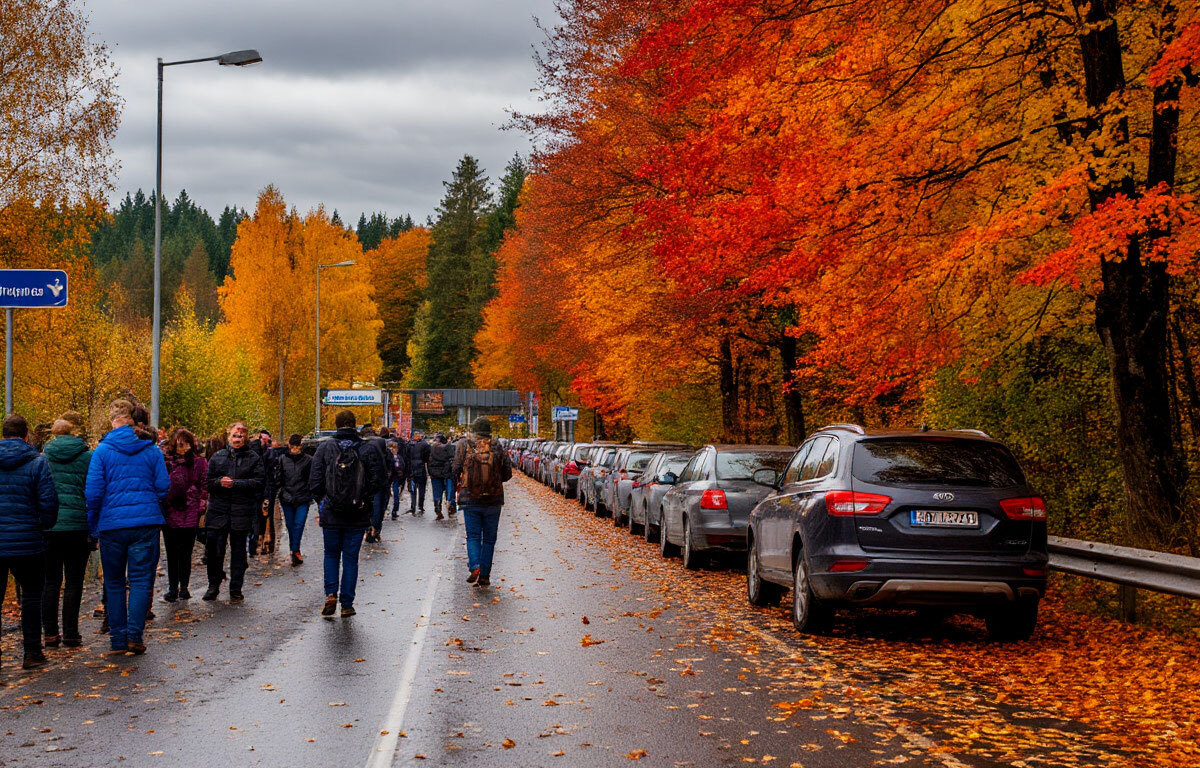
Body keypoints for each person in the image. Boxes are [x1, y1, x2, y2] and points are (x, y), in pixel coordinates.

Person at [86, 400, 169, 656]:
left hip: (112, 526)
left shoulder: (102, 451)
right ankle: (135, 636)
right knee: (142, 581)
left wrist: (94, 526)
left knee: (113, 582)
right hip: (145, 524)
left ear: (113, 422)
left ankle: (118, 641)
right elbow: (164, 487)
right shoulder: (151, 450)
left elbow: (92, 494)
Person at [310, 410, 385, 617]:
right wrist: (365, 501)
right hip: (357, 513)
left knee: (331, 554)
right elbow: (377, 480)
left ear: (336, 425)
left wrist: (323, 501)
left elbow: (315, 481)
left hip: (331, 512)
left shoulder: (325, 448)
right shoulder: (367, 449)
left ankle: (330, 593)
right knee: (351, 558)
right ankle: (347, 603)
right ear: (355, 425)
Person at [0, 414, 59, 669]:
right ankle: (32, 652)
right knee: (32, 596)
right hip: (28, 540)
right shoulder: (38, 462)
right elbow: (48, 503)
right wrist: (42, 526)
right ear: (26, 434)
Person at [41, 417, 92, 649]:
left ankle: (50, 634)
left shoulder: (43, 458)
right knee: (74, 582)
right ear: (73, 433)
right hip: (78, 526)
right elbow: (92, 491)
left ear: (53, 434)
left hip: (50, 527)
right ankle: (71, 633)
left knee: (50, 582)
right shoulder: (86, 457)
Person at [203, 422, 265, 603]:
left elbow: (259, 482)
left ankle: (236, 588)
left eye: (241, 436)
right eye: (235, 436)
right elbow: (208, 482)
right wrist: (219, 482)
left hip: (241, 510)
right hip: (219, 511)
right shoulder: (217, 457)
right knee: (215, 552)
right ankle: (213, 585)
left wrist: (236, 484)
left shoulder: (253, 458)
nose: (238, 439)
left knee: (239, 553)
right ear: (228, 437)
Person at [452, 417, 512, 587]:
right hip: (493, 500)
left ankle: (475, 565)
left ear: (474, 429)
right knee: (489, 539)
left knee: (473, 536)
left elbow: (455, 468)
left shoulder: (464, 445)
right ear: (489, 430)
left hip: (470, 499)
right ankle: (485, 574)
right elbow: (507, 473)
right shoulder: (497, 446)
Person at [161, 428, 207, 602]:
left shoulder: (199, 463)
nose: (182, 447)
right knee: (171, 553)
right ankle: (173, 587)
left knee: (185, 553)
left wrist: (200, 506)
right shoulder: (166, 462)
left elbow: (204, 486)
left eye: (185, 443)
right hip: (170, 512)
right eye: (179, 443)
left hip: (189, 512)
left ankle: (184, 587)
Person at [276, 434, 312, 566]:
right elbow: (279, 478)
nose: (295, 449)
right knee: (291, 525)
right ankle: (294, 549)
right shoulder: (282, 460)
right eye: (293, 446)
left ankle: (295, 550)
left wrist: (309, 492)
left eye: (298, 446)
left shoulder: (308, 460)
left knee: (299, 524)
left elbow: (311, 478)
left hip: (302, 497)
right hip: (287, 497)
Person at [360, 425, 390, 542]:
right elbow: (388, 461)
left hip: (363, 481)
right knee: (378, 506)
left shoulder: (360, 445)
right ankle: (375, 529)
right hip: (379, 480)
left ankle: (368, 527)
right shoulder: (381, 444)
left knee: (366, 506)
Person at [428, 433, 456, 520]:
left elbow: (429, 460)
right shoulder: (450, 448)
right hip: (446, 473)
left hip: (435, 474)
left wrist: (430, 472)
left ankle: (437, 506)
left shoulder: (432, 448)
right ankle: (451, 505)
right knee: (449, 490)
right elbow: (453, 460)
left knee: (437, 492)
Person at [406, 431, 430, 515]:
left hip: (411, 469)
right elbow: (427, 458)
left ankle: (413, 505)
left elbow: (406, 457)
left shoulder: (409, 444)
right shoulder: (425, 444)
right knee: (421, 488)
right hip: (421, 468)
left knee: (413, 488)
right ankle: (420, 506)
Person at [387, 441, 406, 520]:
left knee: (389, 494)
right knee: (395, 494)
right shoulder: (397, 457)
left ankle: (389, 509)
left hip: (389, 478)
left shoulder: (386, 456)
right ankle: (394, 510)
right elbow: (402, 466)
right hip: (396, 477)